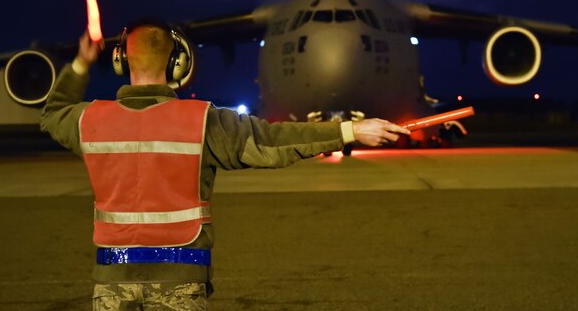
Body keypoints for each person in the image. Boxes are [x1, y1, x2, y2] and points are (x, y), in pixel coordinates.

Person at [40, 19, 409, 310]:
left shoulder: (91, 121)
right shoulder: (200, 122)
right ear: (177, 62)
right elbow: (273, 142)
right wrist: (349, 131)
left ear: (121, 62)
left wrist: (81, 64)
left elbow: (52, 113)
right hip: (179, 284)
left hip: (111, 282)